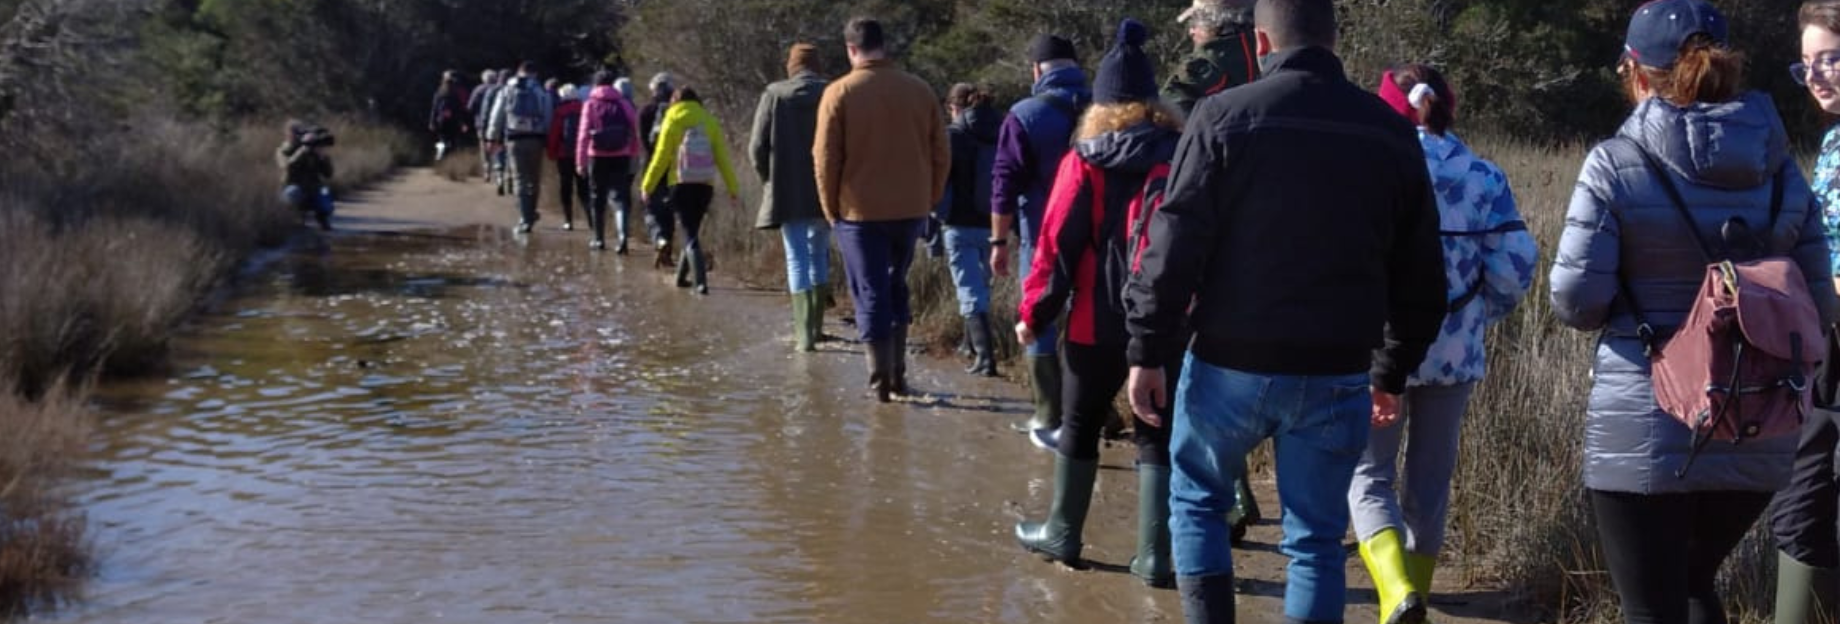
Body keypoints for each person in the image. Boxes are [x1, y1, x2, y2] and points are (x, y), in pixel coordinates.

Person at [1122, 0, 1448, 620]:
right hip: (1337, 367)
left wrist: (1147, 347)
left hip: (1228, 359)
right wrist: (1392, 369)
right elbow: (1422, 274)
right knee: (1316, 541)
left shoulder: (1221, 114)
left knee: (1197, 503)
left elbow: (1173, 242)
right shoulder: (1390, 130)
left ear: (1262, 41)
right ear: (1334, 39)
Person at [1550, 2, 1840, 623]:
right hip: (1759, 423)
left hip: (1644, 420)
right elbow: (1819, 306)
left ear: (1635, 71)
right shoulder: (1784, 173)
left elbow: (1576, 301)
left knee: (1652, 606)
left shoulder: (1614, 164)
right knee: (1694, 582)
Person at [1348, 62, 1538, 624]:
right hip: (1456, 352)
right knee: (1429, 484)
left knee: (1368, 476)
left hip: (1379, 350)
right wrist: (1478, 315)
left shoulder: (1370, 171)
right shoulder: (1483, 176)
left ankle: (1393, 592)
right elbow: (1516, 264)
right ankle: (1420, 597)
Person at [1012, 19, 1185, 590]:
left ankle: (1063, 533)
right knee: (1156, 428)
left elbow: (1053, 247)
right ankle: (1156, 554)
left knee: (1081, 421)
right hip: (1165, 322)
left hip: (1093, 319)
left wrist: (1033, 312)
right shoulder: (1181, 156)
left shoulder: (1083, 159)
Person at [1164, 0, 1268, 548]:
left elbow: (1168, 109)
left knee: (1207, 360)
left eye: (1196, 25)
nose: (1193, 34)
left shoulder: (1211, 62)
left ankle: (1228, 498)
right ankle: (1241, 492)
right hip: (1271, 217)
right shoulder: (1269, 54)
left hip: (1217, 211)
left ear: (1212, 26)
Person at [814, 16, 950, 402]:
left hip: (859, 213)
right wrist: (930, 198)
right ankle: (899, 376)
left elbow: (825, 159)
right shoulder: (919, 90)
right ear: (883, 46)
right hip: (911, 209)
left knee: (869, 292)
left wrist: (830, 208)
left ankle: (881, 384)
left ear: (850, 49)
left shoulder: (839, 93)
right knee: (896, 286)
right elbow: (942, 152)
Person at [991, 33, 1091, 439]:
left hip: (1043, 236)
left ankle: (1047, 415)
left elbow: (1003, 184)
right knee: (1090, 320)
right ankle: (1090, 411)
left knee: (1039, 317)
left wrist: (998, 243)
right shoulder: (1109, 108)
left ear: (1036, 70)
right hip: (1102, 238)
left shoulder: (1023, 114)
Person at [1778, 4, 1840, 622]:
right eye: (1806, 65)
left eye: (1830, 59)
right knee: (1799, 509)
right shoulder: (1830, 143)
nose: (1817, 76)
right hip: (1824, 348)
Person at [750, 43, 834, 352]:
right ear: (818, 64)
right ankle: (818, 327)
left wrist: (768, 180)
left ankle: (804, 337)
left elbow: (756, 147)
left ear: (792, 65)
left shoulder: (774, 94)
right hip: (825, 190)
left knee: (796, 257)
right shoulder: (832, 92)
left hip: (786, 189)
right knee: (819, 253)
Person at [640, 87, 740, 295]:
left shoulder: (672, 119)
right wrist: (733, 187)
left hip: (680, 183)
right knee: (691, 228)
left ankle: (701, 281)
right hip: (705, 184)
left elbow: (661, 157)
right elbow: (722, 157)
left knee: (689, 233)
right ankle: (680, 277)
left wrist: (647, 185)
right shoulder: (709, 121)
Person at [939, 83, 1003, 376]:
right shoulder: (1001, 130)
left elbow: (940, 180)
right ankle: (969, 346)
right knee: (982, 288)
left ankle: (986, 358)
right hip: (994, 224)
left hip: (959, 223)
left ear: (955, 108)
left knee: (968, 290)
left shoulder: (952, 136)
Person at [577, 70, 643, 253]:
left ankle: (599, 239)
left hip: (596, 156)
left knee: (597, 197)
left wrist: (580, 161)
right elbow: (634, 129)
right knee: (620, 197)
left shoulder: (590, 104)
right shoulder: (623, 103)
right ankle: (622, 237)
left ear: (595, 85)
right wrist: (634, 153)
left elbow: (583, 135)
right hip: (621, 154)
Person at [487, 62, 555, 234]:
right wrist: (546, 137)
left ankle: (525, 218)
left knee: (520, 179)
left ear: (519, 72)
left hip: (515, 138)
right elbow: (548, 115)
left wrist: (492, 137)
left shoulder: (508, 88)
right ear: (535, 73)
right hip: (536, 139)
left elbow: (497, 113)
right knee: (534, 179)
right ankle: (531, 213)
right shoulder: (540, 90)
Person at [1163, 0, 1260, 114]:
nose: (1191, 31)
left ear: (1216, 25)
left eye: (1194, 23)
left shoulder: (1193, 76)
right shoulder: (1275, 58)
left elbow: (1163, 118)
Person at [640, 72, 680, 268]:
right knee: (668, 211)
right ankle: (668, 254)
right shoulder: (678, 110)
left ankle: (659, 240)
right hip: (675, 167)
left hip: (652, 165)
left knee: (650, 210)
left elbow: (644, 142)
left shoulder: (646, 111)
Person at [276, 120, 336, 232]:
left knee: (325, 194)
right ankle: (295, 219)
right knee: (292, 193)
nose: (298, 135)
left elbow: (328, 174)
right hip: (293, 186)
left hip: (313, 187)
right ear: (287, 134)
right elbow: (288, 167)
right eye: (295, 132)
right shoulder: (283, 150)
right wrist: (302, 152)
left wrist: (322, 158)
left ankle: (322, 219)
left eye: (300, 132)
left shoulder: (313, 150)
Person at [548, 84, 591, 232]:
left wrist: (552, 152)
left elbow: (555, 133)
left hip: (564, 154)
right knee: (584, 188)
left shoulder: (560, 111)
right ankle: (591, 220)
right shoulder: (585, 108)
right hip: (583, 155)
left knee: (566, 187)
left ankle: (568, 221)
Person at [469, 69, 505, 188]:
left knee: (484, 148)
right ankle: (498, 171)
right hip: (499, 123)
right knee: (498, 146)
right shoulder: (500, 90)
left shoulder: (478, 90)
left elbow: (470, 107)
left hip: (481, 123)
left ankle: (487, 171)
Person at [429, 70, 470, 162]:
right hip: (452, 121)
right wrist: (462, 123)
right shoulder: (455, 94)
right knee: (451, 141)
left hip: (442, 120)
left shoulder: (439, 93)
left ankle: (441, 156)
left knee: (442, 140)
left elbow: (434, 109)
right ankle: (449, 159)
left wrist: (432, 122)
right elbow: (459, 110)